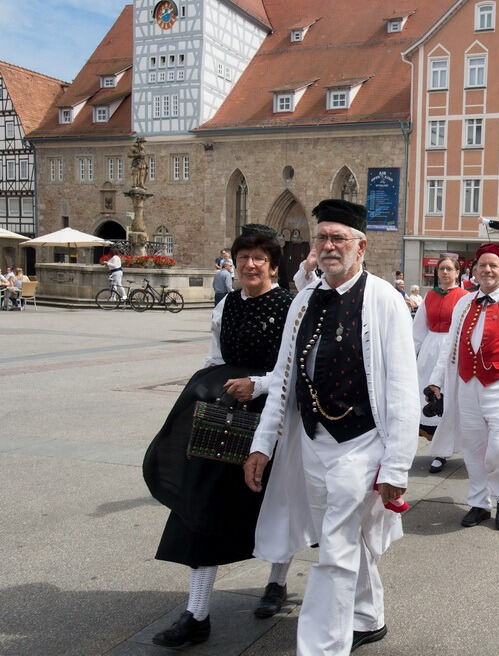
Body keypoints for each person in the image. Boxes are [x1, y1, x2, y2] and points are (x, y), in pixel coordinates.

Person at [243, 199, 418, 655]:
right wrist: (263, 445)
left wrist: (397, 467)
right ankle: (368, 615)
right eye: (322, 237)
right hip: (312, 443)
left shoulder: (384, 300)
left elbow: (401, 388)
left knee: (334, 550)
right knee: (345, 537)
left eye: (339, 238)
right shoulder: (303, 300)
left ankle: (321, 647)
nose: (328, 246)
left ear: (361, 247)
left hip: (360, 444)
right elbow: (283, 378)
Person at [143, 226, 299, 648]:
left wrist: (258, 385)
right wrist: (205, 392)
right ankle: (197, 613)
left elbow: (294, 369)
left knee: (276, 500)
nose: (250, 264)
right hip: (227, 420)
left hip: (276, 417)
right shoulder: (226, 304)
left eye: (259, 258)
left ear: (272, 264)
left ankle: (277, 581)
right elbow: (214, 358)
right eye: (243, 256)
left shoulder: (291, 307)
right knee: (203, 506)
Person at [426, 243, 499, 530]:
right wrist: (436, 381)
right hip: (467, 386)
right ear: (474, 270)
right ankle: (479, 503)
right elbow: (449, 347)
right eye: (483, 265)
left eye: (494, 265)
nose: (488, 270)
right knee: (473, 448)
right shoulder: (463, 303)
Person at [413, 256, 468, 473]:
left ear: (457, 272)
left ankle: (443, 451)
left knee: (448, 399)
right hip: (430, 348)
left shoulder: (464, 297)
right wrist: (413, 353)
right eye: (441, 269)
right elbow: (418, 329)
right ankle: (434, 445)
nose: (445, 273)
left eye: (449, 269)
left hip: (452, 351)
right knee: (427, 397)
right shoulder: (430, 296)